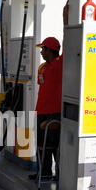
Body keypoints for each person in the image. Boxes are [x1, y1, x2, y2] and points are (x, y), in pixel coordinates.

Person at [29, 37, 63, 181]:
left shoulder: (61, 63)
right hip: (41, 110)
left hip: (55, 111)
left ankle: (60, 174)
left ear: (51, 50)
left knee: (54, 145)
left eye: (43, 49)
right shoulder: (42, 67)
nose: (41, 52)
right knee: (41, 144)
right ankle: (44, 172)